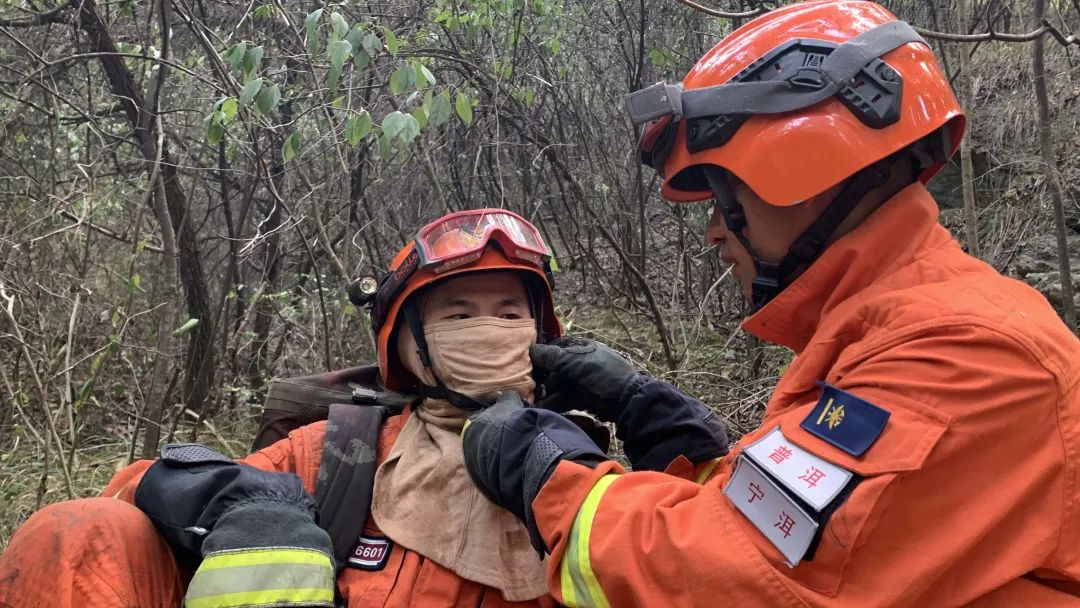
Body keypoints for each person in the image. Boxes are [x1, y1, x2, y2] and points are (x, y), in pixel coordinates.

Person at [460, 2, 1080, 606]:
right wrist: (657, 419)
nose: (713, 232)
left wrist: (546, 476)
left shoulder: (969, 352)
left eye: (723, 196)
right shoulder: (886, 330)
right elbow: (793, 524)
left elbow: (743, 580)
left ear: (802, 168)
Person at [0, 209, 639, 608]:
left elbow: (691, 560)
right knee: (80, 530)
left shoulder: (585, 468)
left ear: (543, 334)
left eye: (510, 313)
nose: (489, 330)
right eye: (459, 314)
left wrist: (653, 420)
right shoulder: (345, 449)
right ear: (405, 347)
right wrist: (228, 502)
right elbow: (134, 493)